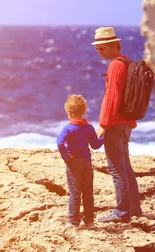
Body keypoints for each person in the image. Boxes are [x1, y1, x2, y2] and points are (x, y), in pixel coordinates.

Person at [92, 26, 143, 223]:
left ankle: (122, 213)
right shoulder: (126, 62)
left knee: (117, 170)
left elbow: (112, 98)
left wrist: (103, 125)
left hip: (115, 124)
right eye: (97, 48)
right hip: (126, 124)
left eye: (102, 47)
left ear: (114, 45)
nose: (99, 51)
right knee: (126, 167)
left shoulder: (115, 65)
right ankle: (134, 208)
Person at [57, 94, 104, 229]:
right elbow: (95, 145)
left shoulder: (68, 129)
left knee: (75, 192)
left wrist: (66, 158)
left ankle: (74, 222)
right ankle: (89, 221)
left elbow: (60, 143)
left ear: (69, 113)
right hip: (86, 162)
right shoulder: (89, 127)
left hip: (74, 163)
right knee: (88, 192)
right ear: (84, 111)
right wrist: (104, 138)